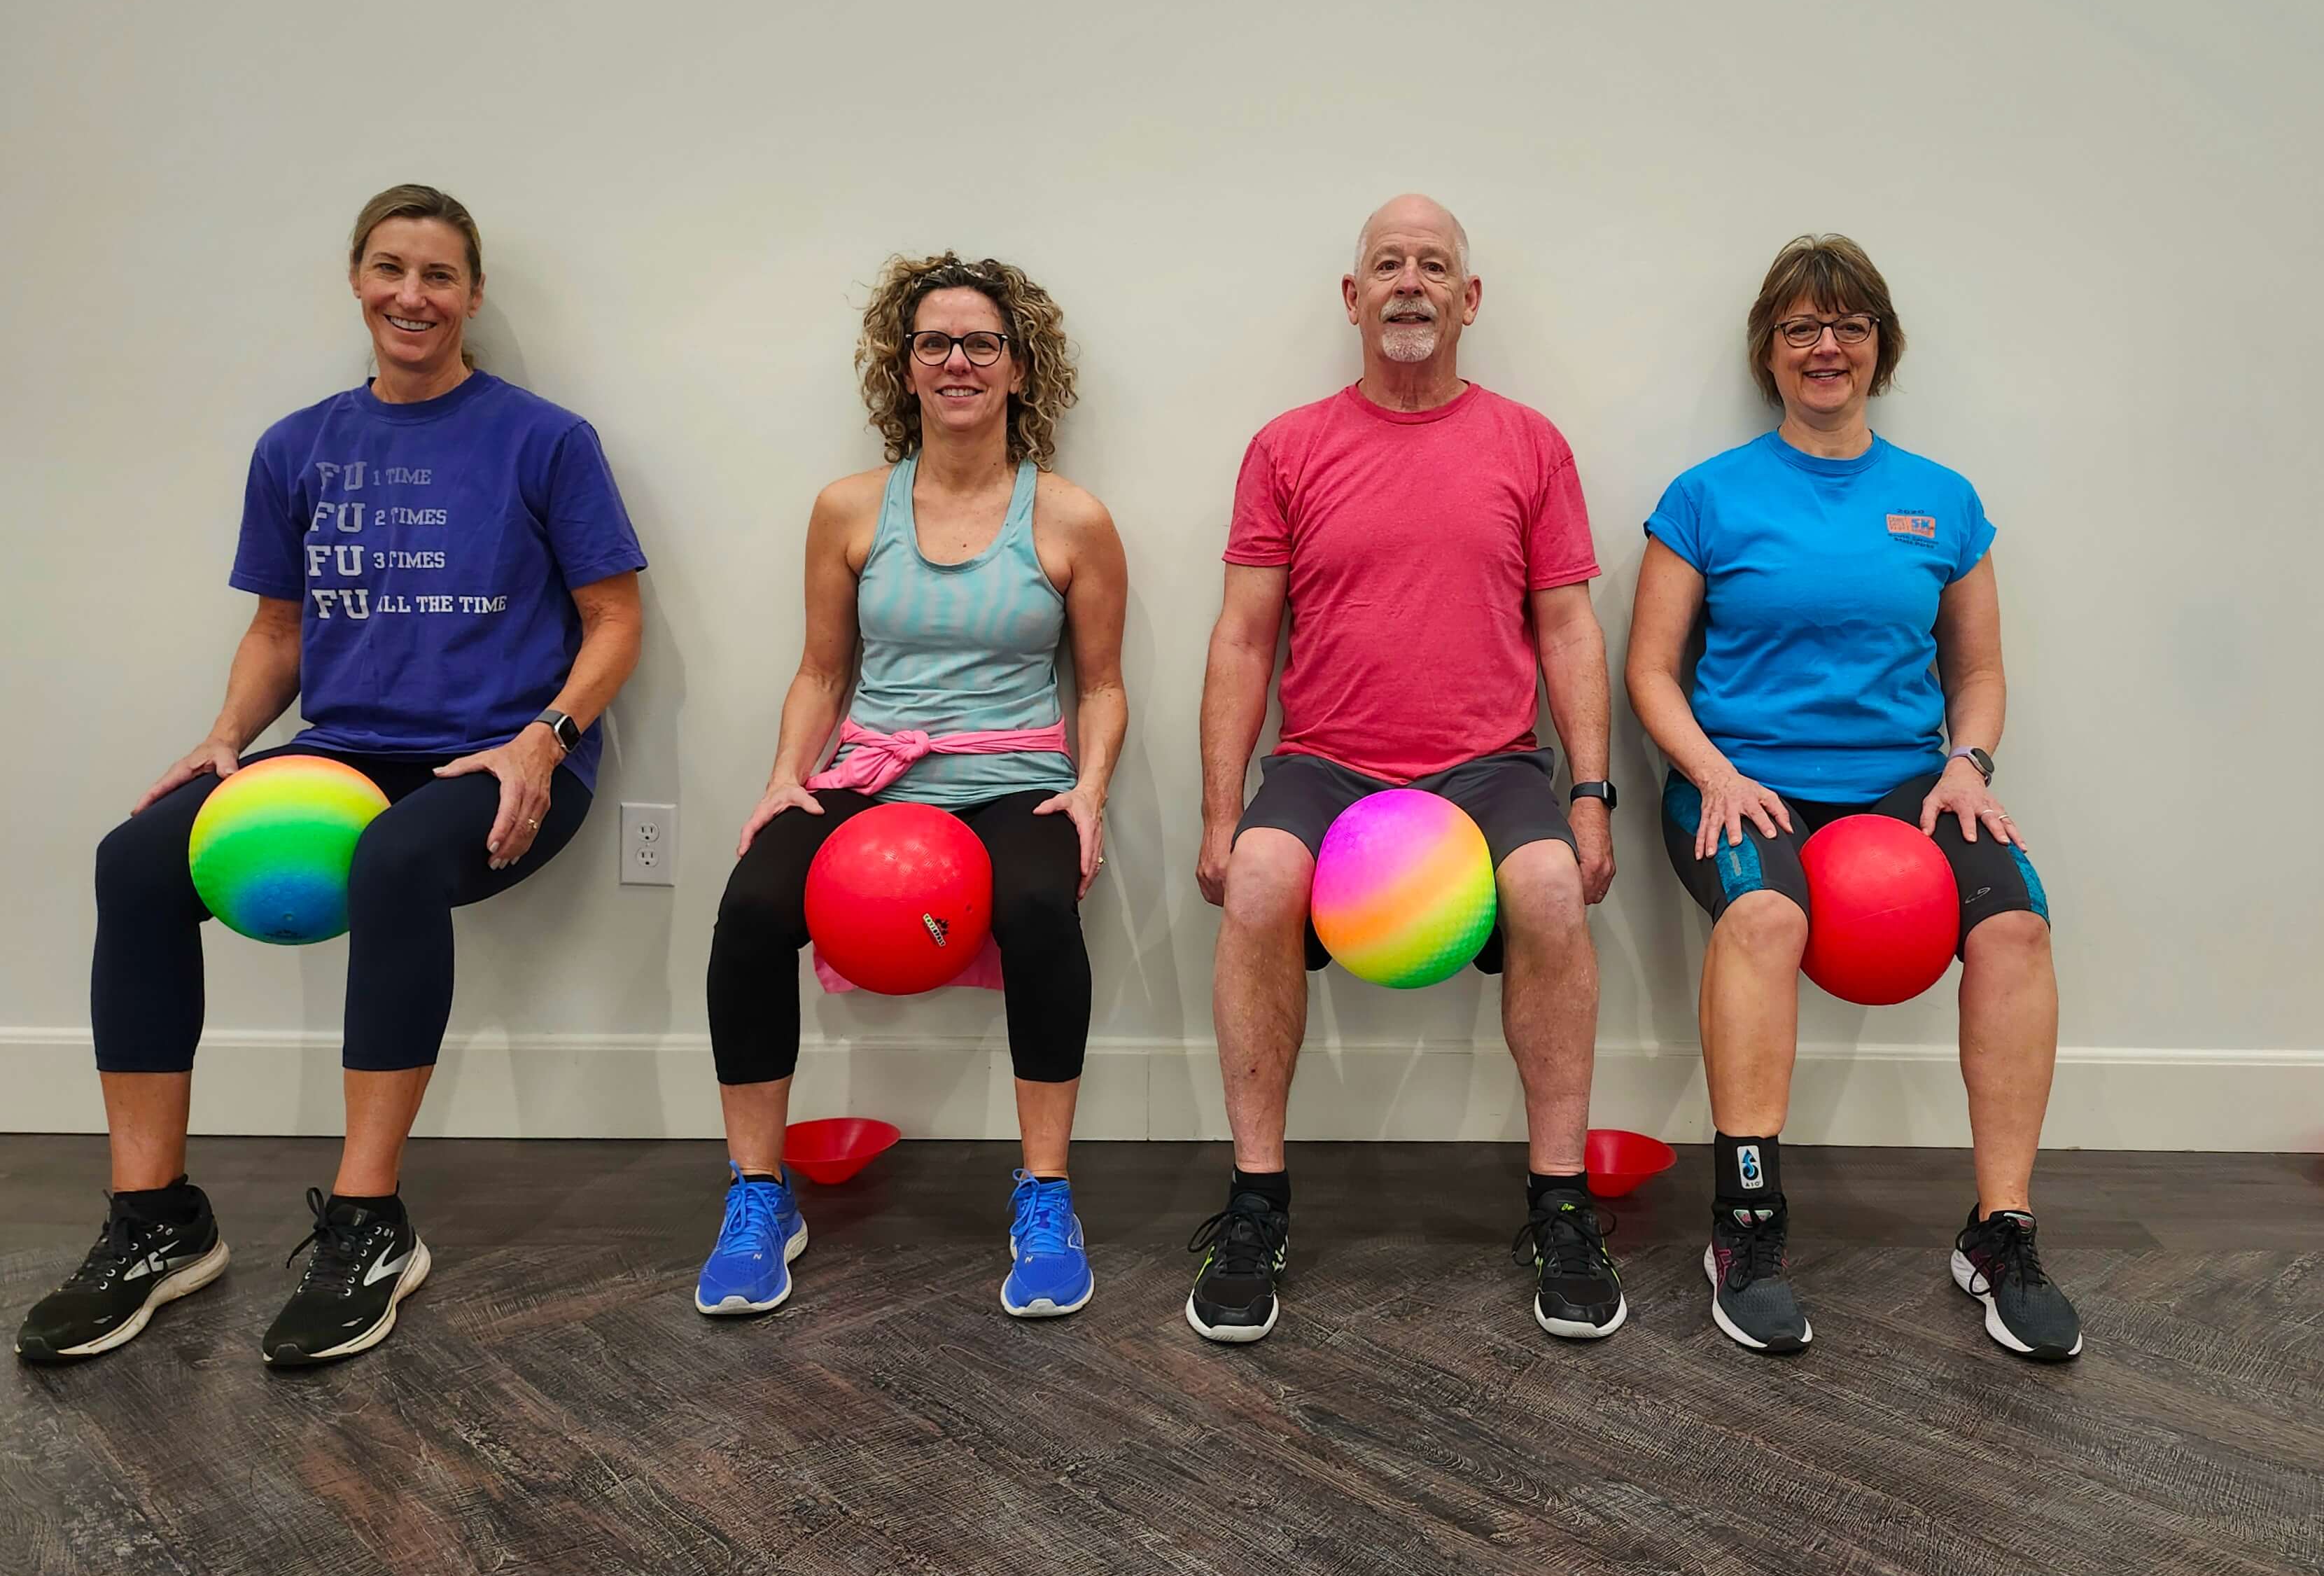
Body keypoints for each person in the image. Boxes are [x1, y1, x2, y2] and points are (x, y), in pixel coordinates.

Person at [15, 184, 646, 1369]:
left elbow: (616, 618)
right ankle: (157, 1220)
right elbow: (277, 632)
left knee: (396, 857)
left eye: (441, 274)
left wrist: (543, 737)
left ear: (472, 295)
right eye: (392, 268)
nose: (414, 294)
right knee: (137, 859)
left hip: (506, 757)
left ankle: (370, 1223)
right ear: (357, 279)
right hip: (338, 751)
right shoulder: (298, 445)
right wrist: (224, 734)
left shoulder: (544, 439)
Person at [1625, 233, 2079, 1361]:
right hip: (1743, 780)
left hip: (1909, 785)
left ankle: (2002, 1230)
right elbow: (1646, 669)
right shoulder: (1708, 497)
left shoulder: (1942, 499)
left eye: (1849, 326)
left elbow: (1976, 671)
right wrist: (1715, 771)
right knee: (1765, 915)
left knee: (2018, 925)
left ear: (1881, 347)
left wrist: (1968, 763)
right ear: (1768, 353)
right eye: (1801, 328)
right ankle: (1745, 1222)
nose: (1827, 346)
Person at [1190, 194, 1621, 1346]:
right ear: (1353, 295)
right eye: (1388, 263)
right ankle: (1255, 1203)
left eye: (1435, 265)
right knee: (1266, 884)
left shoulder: (1530, 444)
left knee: (1543, 893)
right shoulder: (1288, 447)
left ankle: (1561, 1203)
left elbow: (1572, 632)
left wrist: (1588, 794)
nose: (1411, 283)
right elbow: (1243, 638)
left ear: (1470, 300)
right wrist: (1223, 814)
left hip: (1492, 767)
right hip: (1326, 765)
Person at [701, 253, 1126, 1322]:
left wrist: (1092, 793)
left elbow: (1105, 687)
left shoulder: (1071, 518)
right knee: (751, 907)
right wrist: (781, 780)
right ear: (904, 367)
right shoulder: (850, 509)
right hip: (873, 773)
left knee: (1039, 907)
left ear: (1020, 368)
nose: (957, 362)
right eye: (934, 342)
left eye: (981, 342)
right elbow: (821, 670)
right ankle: (758, 1193)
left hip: (1016, 776)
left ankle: (1045, 1192)